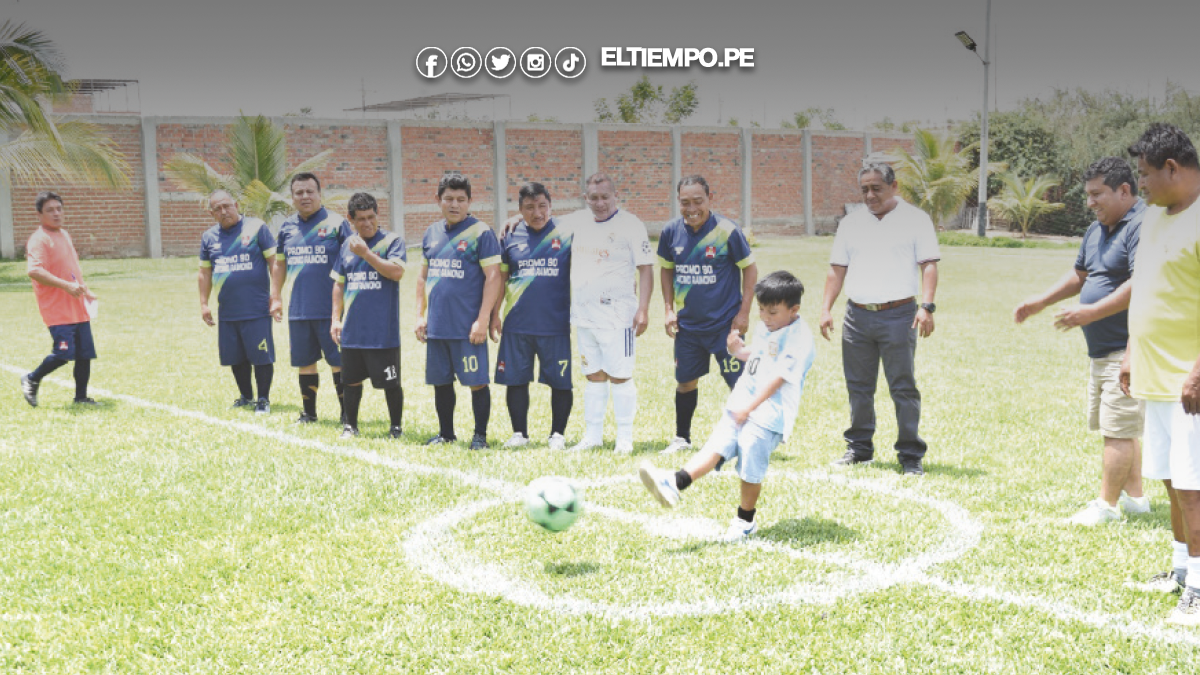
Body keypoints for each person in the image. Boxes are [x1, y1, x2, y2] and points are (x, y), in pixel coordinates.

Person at [1014, 157, 1148, 525]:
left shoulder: (1142, 225)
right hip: (1102, 350)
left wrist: (1091, 313)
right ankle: (1135, 499)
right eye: (1087, 195)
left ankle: (1106, 506)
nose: (1089, 202)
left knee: (1118, 428)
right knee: (1118, 426)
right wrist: (1041, 301)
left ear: (1124, 190)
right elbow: (1081, 275)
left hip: (1128, 348)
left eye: (1096, 194)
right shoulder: (1096, 230)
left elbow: (1141, 284)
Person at [638, 271, 815, 541]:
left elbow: (778, 378)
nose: (766, 319)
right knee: (716, 446)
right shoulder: (767, 327)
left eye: (773, 313)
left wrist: (751, 407)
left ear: (794, 310)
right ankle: (674, 483)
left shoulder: (799, 338)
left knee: (750, 465)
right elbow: (758, 356)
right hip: (743, 402)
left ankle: (745, 521)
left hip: (770, 413)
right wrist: (736, 351)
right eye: (762, 312)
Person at [1120, 123, 1200, 626]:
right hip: (1154, 372)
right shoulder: (1153, 216)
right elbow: (1145, 284)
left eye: (1147, 175)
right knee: (1172, 478)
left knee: (1195, 485)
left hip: (1189, 381)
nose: (1142, 185)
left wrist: (1197, 372)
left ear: (1172, 168)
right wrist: (1131, 350)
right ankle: (1178, 568)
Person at [819, 162, 939, 475]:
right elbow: (837, 269)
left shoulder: (916, 220)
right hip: (857, 316)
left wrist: (927, 306)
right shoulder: (851, 223)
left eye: (877, 188)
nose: (870, 195)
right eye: (864, 189)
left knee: (903, 386)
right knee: (858, 387)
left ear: (894, 186)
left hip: (899, 315)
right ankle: (860, 449)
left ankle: (910, 454)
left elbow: (928, 265)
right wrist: (825, 309)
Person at [657, 174, 758, 455]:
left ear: (710, 199)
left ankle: (751, 437)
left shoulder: (727, 231)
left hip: (726, 326)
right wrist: (668, 310)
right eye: (685, 202)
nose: (692, 208)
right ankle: (682, 438)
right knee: (685, 382)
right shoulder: (670, 232)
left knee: (739, 383)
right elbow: (666, 269)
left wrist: (744, 313)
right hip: (688, 327)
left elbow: (750, 269)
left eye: (698, 201)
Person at [565, 173, 654, 454]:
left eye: (605, 197)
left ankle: (624, 438)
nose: (600, 203)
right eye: (594, 198)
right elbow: (541, 222)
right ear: (585, 198)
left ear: (615, 196)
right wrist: (513, 220)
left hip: (617, 317)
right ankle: (593, 436)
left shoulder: (630, 224)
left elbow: (646, 268)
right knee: (593, 374)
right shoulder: (578, 221)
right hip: (583, 315)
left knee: (620, 376)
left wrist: (643, 309)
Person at [415, 173, 503, 450]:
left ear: (469, 201)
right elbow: (421, 278)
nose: (455, 205)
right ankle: (446, 434)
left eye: (461, 200)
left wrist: (483, 320)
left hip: (467, 327)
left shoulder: (481, 232)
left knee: (476, 383)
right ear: (438, 200)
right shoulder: (431, 233)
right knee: (441, 382)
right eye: (449, 199)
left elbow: (493, 277)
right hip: (438, 325)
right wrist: (420, 315)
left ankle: (479, 437)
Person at [489, 182, 574, 450]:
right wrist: (494, 314)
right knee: (515, 379)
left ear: (550, 205)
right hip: (517, 323)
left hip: (555, 323)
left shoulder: (568, 232)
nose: (537, 213)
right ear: (520, 210)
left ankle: (557, 434)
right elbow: (501, 278)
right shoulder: (509, 236)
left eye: (542, 206)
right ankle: (519, 433)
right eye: (529, 208)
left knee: (561, 381)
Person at [272, 172, 353, 424]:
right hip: (299, 310)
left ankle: (346, 412)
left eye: (310, 191)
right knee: (305, 362)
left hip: (331, 310)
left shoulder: (338, 223)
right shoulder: (287, 228)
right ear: (292, 197)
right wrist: (275, 297)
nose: (305, 196)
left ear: (320, 194)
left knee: (338, 362)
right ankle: (309, 413)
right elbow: (279, 265)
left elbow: (352, 262)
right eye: (299, 192)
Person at [331, 193, 406, 439]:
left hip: (382, 332)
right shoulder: (347, 245)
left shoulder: (392, 241)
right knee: (350, 380)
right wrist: (335, 319)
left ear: (377, 214)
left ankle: (395, 427)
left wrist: (366, 254)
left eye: (371, 217)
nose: (367, 223)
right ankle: (350, 426)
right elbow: (339, 284)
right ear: (351, 220)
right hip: (353, 330)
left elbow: (396, 273)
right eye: (361, 219)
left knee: (391, 383)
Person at [198, 190, 281, 413]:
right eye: (218, 209)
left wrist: (275, 295)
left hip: (256, 308)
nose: (224, 211)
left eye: (227, 206)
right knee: (235, 356)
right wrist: (204, 304)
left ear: (236, 204)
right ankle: (246, 396)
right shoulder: (209, 237)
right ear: (212, 213)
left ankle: (263, 399)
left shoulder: (256, 228)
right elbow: (204, 273)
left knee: (261, 355)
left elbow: (274, 262)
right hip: (228, 310)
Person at [19, 191, 99, 407]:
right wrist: (66, 286)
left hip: (77, 307)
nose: (56, 214)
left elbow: (72, 270)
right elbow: (34, 270)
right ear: (39, 214)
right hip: (57, 311)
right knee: (63, 353)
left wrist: (85, 290)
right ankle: (31, 378)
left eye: (59, 209)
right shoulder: (39, 240)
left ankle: (81, 398)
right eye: (50, 210)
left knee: (84, 354)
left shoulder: (64, 235)